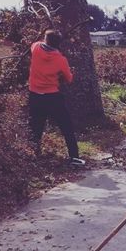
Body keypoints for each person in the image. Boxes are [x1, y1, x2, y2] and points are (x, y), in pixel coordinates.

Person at [28, 29, 85, 166]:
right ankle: (74, 157)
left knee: (36, 127)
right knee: (66, 126)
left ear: (45, 39)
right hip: (52, 97)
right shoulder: (61, 60)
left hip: (35, 95)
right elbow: (69, 79)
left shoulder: (35, 48)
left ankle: (32, 156)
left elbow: (37, 43)